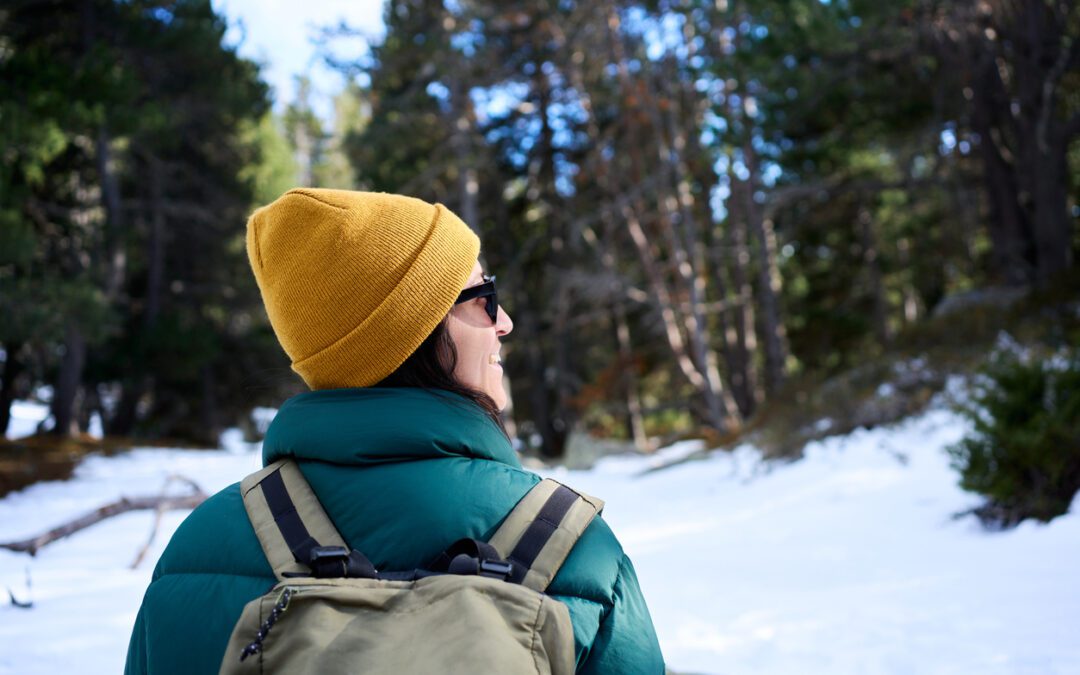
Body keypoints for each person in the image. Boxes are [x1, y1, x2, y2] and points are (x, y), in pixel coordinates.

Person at [124, 188, 664, 674]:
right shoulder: (574, 544)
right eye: (483, 297)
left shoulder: (198, 548)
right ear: (413, 330)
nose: (504, 323)